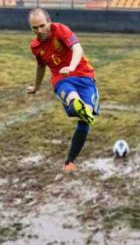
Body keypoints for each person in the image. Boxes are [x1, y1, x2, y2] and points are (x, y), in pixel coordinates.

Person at [26, 9, 99, 172]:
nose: (39, 31)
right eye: (34, 28)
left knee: (85, 121)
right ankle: (76, 103)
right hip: (61, 79)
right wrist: (36, 87)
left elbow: (77, 48)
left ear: (49, 21)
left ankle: (70, 161)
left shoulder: (60, 29)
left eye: (42, 26)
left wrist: (71, 66)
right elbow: (41, 66)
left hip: (84, 75)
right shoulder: (35, 46)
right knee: (70, 96)